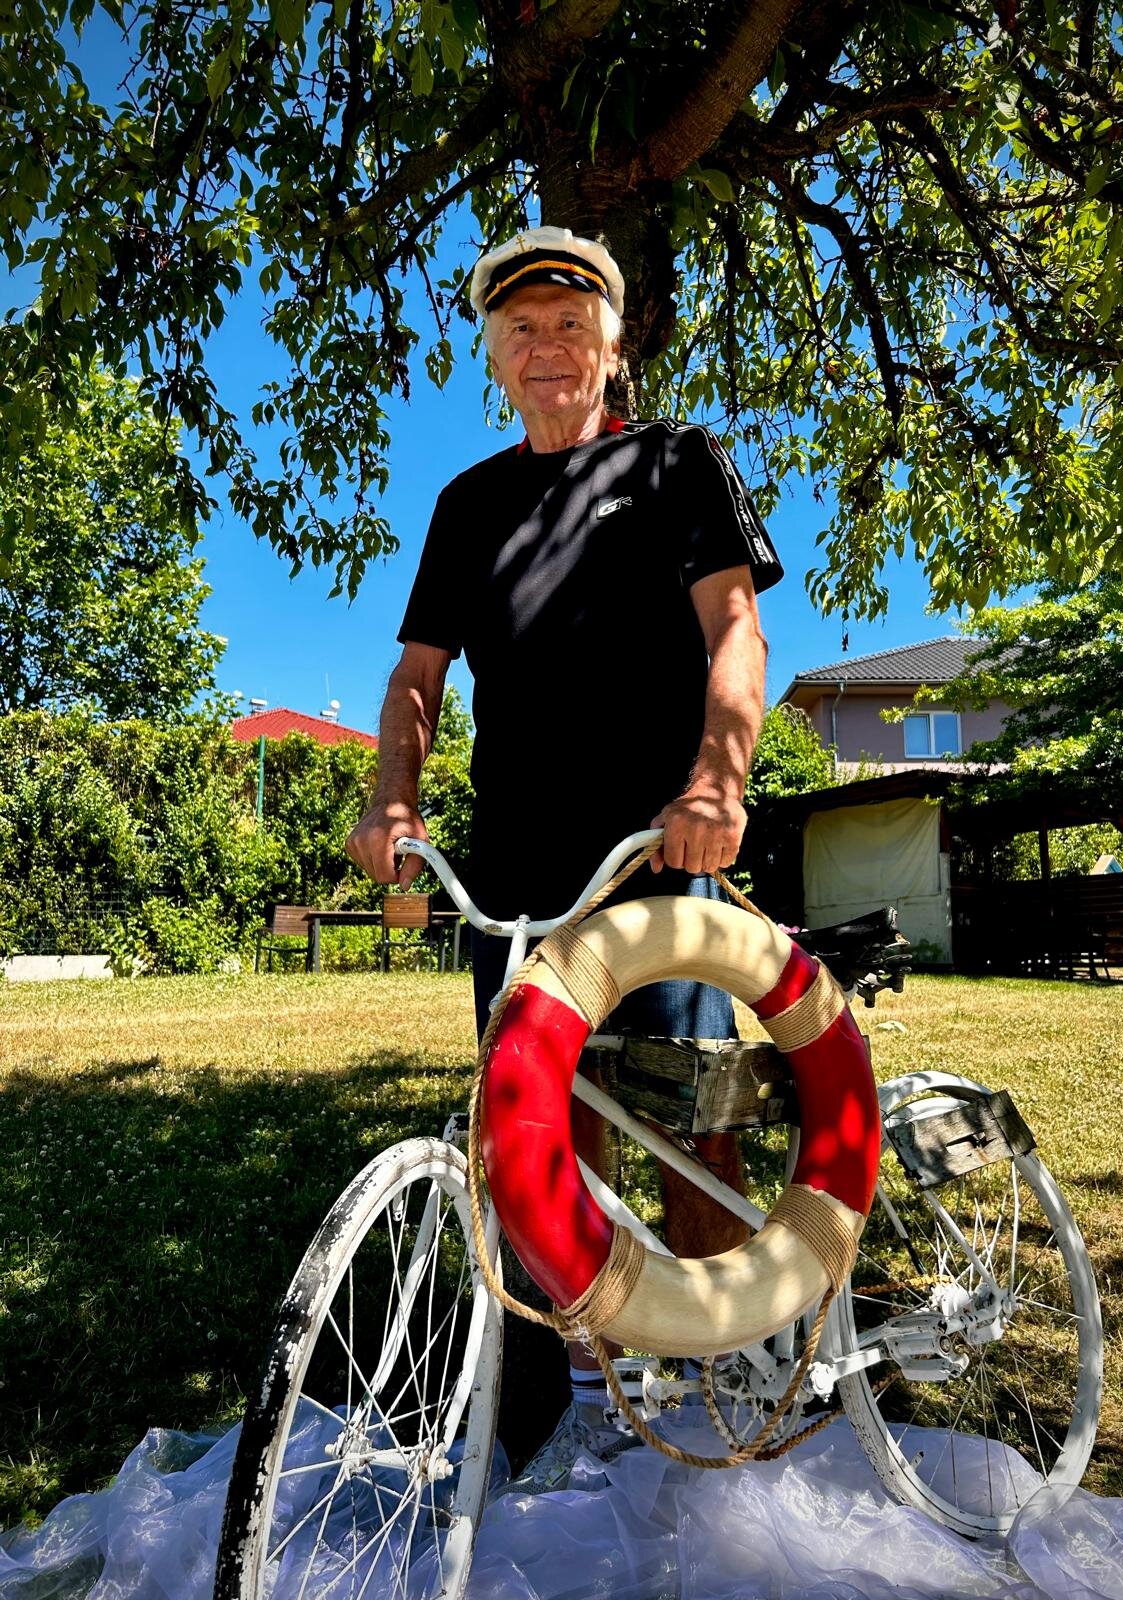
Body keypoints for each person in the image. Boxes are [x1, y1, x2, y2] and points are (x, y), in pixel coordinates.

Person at [346, 223, 783, 1492]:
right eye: (523, 329)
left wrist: (716, 779)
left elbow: (736, 632)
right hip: (519, 874)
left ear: (614, 339)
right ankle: (592, 1394)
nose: (549, 348)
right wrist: (393, 800)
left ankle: (729, 1370)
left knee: (692, 1123)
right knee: (544, 1138)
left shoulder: (676, 463)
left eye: (572, 324)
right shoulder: (466, 506)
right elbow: (416, 679)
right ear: (494, 354)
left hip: (658, 856)